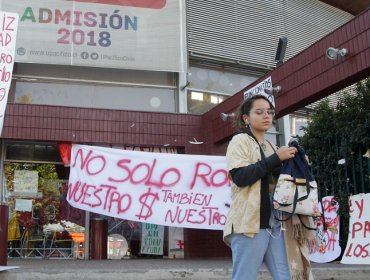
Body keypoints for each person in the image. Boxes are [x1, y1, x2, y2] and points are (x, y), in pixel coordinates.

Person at [223, 95, 315, 280]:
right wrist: (276, 159)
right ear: (245, 118)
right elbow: (241, 177)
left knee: (286, 275)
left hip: (277, 221)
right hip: (250, 223)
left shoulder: (272, 146)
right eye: (259, 112)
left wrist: (299, 164)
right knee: (244, 276)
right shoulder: (240, 141)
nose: (266, 115)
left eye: (269, 112)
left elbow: (282, 183)